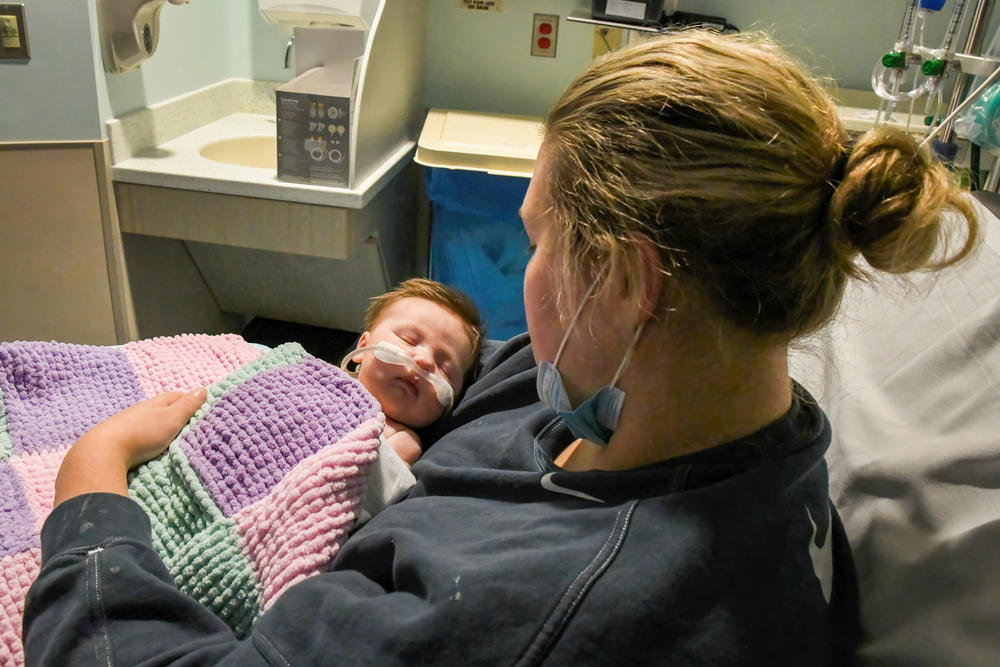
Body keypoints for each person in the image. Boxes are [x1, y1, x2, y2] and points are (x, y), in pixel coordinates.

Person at [23, 30, 977, 665]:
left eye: (538, 239)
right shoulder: (739, 404)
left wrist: (92, 490)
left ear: (634, 282)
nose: (523, 279)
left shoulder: (539, 612)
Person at [342, 277, 484, 466]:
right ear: (362, 347)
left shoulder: (401, 443)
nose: (424, 361)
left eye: (444, 368)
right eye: (408, 339)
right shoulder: (318, 376)